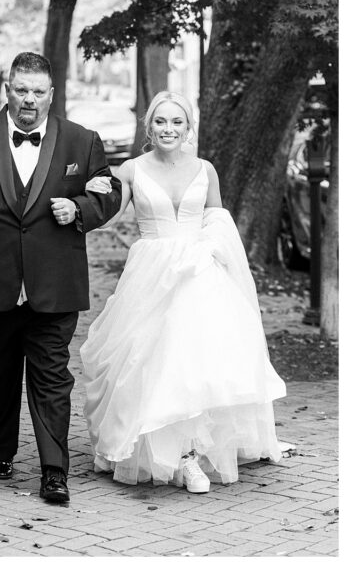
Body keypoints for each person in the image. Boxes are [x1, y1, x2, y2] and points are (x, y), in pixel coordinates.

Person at [0, 52, 122, 504]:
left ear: (52, 95)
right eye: (21, 90)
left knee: (52, 377)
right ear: (7, 90)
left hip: (55, 284)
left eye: (39, 92)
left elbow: (109, 191)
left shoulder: (82, 141)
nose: (29, 100)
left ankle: (54, 471)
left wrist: (80, 209)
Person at [80, 91, 286, 493]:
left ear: (189, 128)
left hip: (198, 273)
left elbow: (218, 221)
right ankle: (148, 448)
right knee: (147, 359)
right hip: (151, 275)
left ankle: (189, 454)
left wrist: (209, 253)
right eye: (160, 122)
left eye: (177, 122)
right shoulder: (131, 171)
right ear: (149, 128)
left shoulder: (205, 170)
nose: (168, 129)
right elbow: (105, 214)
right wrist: (87, 191)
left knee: (194, 363)